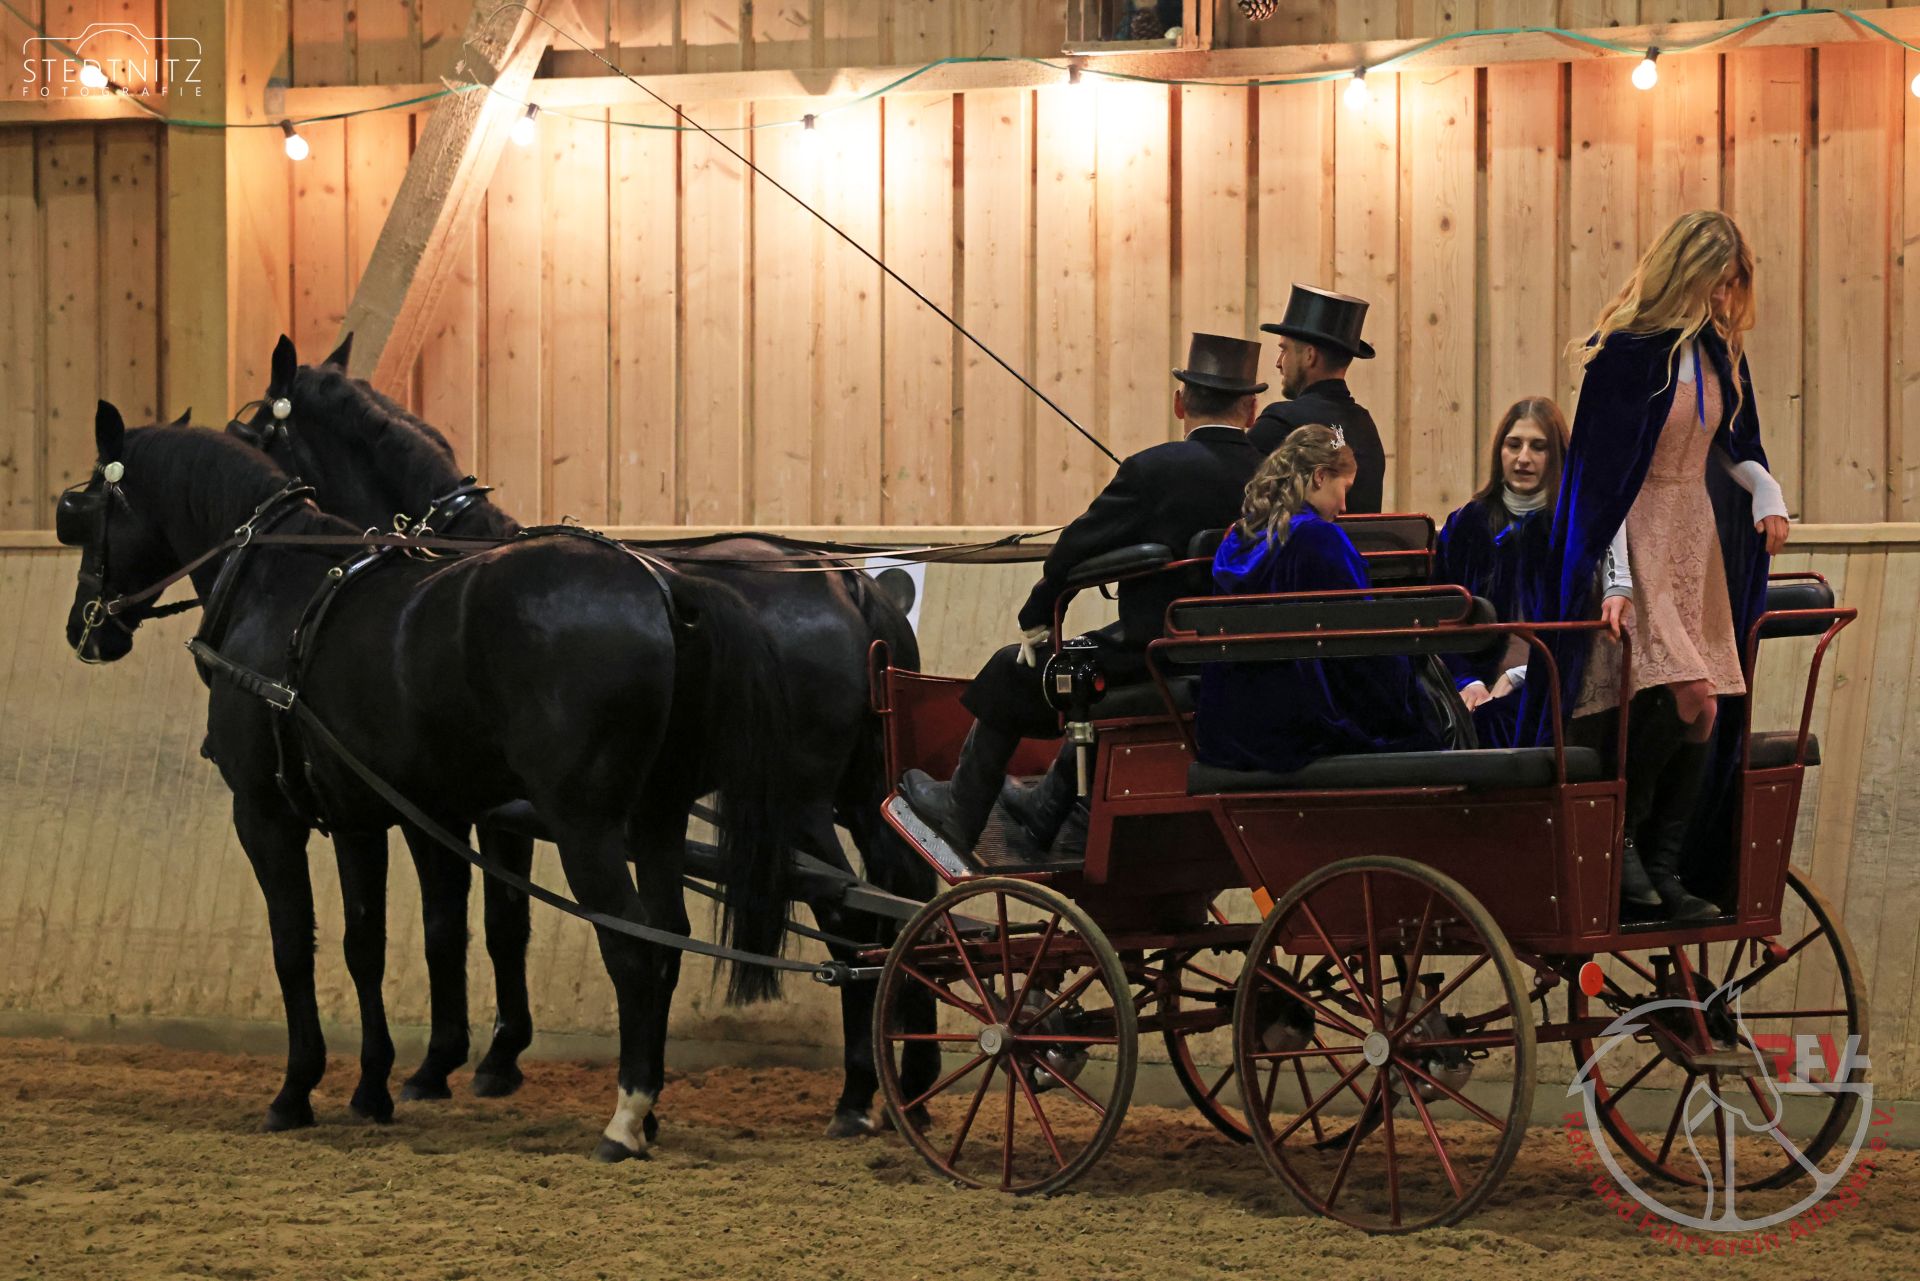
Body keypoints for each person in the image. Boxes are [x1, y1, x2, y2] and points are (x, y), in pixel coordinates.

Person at [899, 333, 1267, 861]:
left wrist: (1038, 611)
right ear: (1251, 411)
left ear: (1180, 402)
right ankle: (1046, 812)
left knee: (1010, 668)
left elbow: (1074, 549)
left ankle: (959, 812)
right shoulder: (1273, 477)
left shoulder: (1154, 469)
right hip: (1234, 658)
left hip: (1152, 656)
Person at [1518, 210, 1791, 921]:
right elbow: (1602, 481)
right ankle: (1624, 841)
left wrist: (1765, 488)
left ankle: (1662, 871)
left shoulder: (1719, 351)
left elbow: (1735, 442)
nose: (1725, 296)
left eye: (1733, 284)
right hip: (1634, 530)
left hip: (1692, 531)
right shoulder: (1629, 352)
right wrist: (1612, 579)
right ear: (1686, 273)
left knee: (1706, 707)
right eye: (1716, 281)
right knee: (1688, 690)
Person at [1195, 425, 1446, 774]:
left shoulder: (1238, 537)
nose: (1344, 506)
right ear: (1319, 476)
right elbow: (1364, 650)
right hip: (1299, 729)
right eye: (1344, 489)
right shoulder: (1319, 539)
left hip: (1229, 727)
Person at [1432, 397, 1569, 748]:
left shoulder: (1569, 529)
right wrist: (1467, 682)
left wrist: (1519, 676)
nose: (1523, 458)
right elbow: (1440, 620)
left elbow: (1579, 639)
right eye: (1514, 444)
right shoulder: (1467, 523)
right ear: (1499, 452)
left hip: (1549, 683)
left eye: (1538, 447)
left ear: (1556, 455)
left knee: (1497, 722)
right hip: (1472, 684)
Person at [1249, 284, 1387, 514]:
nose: (1279, 362)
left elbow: (1243, 501)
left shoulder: (1281, 421)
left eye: (1284, 350)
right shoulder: (1366, 425)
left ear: (1310, 356)